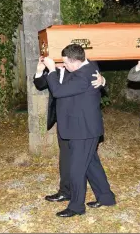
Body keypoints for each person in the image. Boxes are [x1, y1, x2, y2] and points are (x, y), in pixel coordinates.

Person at [42, 44, 116, 217]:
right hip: (81, 128)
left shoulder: (84, 75)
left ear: (76, 62)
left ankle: (76, 207)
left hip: (83, 130)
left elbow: (58, 91)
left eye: (66, 63)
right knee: (91, 165)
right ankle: (106, 198)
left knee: (76, 170)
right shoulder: (88, 66)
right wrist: (103, 80)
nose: (65, 66)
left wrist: (52, 70)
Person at [34, 58, 106, 203]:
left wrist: (103, 80)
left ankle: (76, 202)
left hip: (79, 124)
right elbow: (41, 85)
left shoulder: (77, 68)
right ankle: (68, 191)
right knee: (70, 158)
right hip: (64, 122)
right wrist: (40, 71)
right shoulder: (54, 68)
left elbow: (92, 77)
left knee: (78, 165)